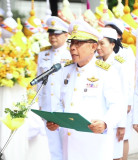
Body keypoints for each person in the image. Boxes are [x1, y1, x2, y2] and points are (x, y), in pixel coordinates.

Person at [47, 19, 126, 160]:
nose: (72, 48)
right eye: (71, 43)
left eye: (78, 43)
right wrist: (56, 121)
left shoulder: (105, 72)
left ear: (93, 47)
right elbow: (60, 103)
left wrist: (105, 123)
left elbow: (118, 105)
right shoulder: (66, 71)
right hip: (69, 144)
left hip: (94, 144)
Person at [37, 16, 71, 160]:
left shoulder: (71, 53)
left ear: (66, 35)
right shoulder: (43, 53)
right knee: (53, 149)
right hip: (47, 107)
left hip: (64, 107)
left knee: (69, 146)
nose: (53, 37)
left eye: (56, 34)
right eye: (51, 33)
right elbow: (39, 80)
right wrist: (40, 104)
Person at [104, 19, 135, 160]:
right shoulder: (101, 54)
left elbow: (129, 80)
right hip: (107, 101)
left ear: (119, 35)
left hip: (124, 100)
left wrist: (128, 102)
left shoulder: (126, 53)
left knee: (123, 136)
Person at [97, 27, 129, 160]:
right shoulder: (96, 62)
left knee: (115, 155)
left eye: (102, 43)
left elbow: (124, 94)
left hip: (115, 119)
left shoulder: (119, 64)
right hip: (100, 117)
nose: (98, 47)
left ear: (112, 44)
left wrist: (121, 124)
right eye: (97, 43)